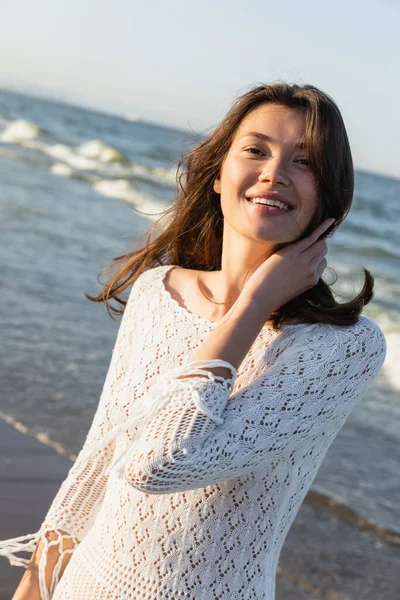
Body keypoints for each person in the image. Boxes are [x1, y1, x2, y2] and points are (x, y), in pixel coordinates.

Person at [0, 82, 386, 600]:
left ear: (329, 196)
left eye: (306, 162)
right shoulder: (159, 292)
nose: (275, 172)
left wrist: (252, 304)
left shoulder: (344, 349)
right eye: (255, 150)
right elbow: (102, 456)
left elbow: (158, 464)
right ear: (218, 176)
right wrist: (36, 583)